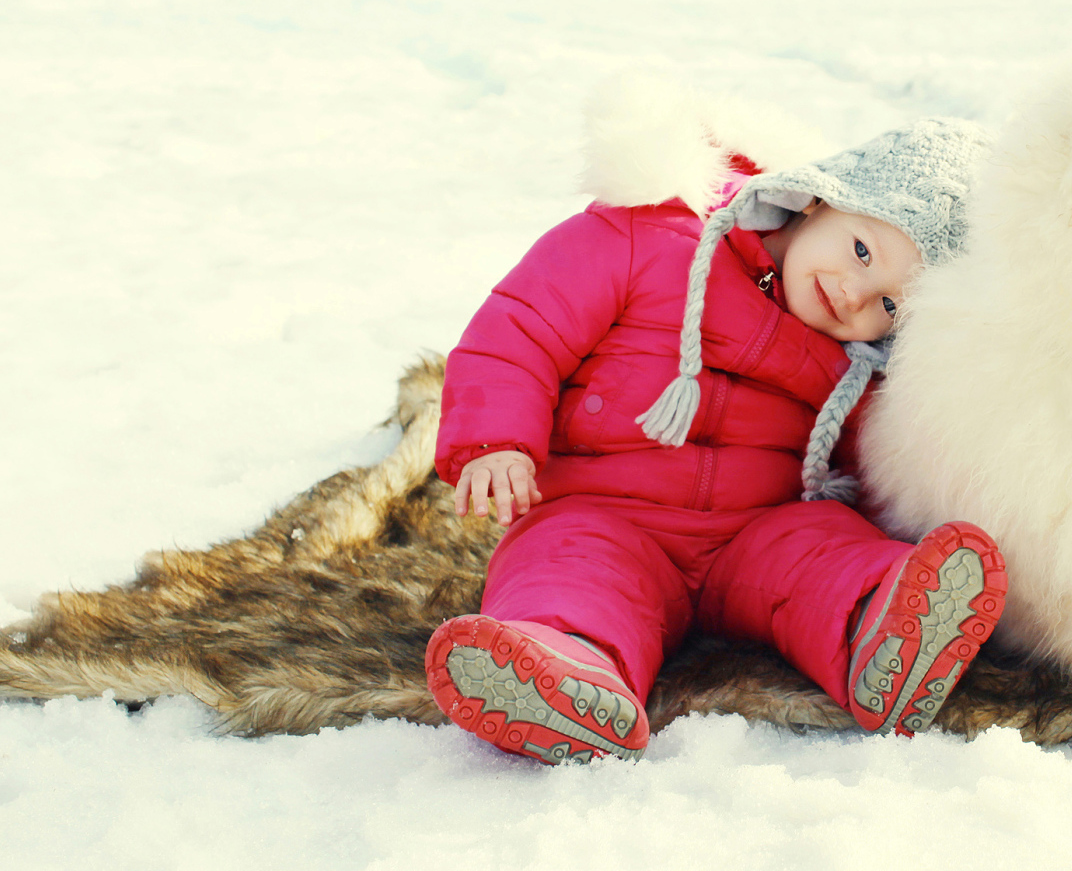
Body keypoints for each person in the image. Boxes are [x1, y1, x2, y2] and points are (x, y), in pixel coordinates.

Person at [423, 117, 1005, 766]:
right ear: (820, 198)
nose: (853, 293)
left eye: (891, 306)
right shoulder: (649, 234)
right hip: (602, 512)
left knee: (821, 553)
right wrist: (496, 441)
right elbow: (522, 327)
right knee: (570, 575)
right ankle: (564, 669)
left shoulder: (857, 365)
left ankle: (884, 621)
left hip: (753, 533)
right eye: (861, 251)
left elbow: (873, 465)